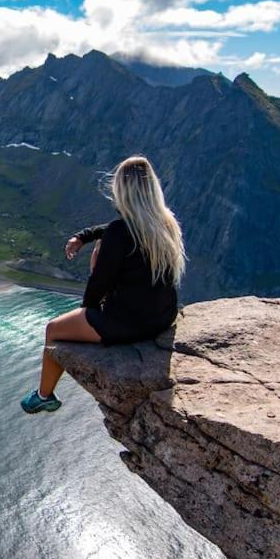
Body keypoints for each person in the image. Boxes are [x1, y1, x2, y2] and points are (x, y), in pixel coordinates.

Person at [21, 155, 186, 414]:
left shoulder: (119, 234)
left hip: (126, 324)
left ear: (122, 190)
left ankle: (44, 395)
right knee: (102, 243)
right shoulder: (166, 224)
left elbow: (100, 281)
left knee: (53, 329)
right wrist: (84, 235)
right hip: (162, 318)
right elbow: (117, 229)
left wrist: (87, 311)